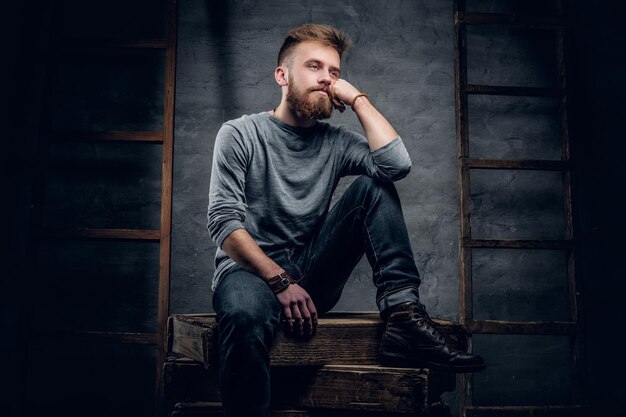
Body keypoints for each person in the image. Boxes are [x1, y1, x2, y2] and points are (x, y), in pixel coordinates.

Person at [207, 23, 485, 417]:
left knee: (375, 186)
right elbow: (223, 223)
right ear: (282, 76)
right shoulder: (240, 134)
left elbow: (396, 165)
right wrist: (279, 280)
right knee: (244, 313)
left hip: (311, 274)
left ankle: (403, 314)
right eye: (314, 67)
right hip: (248, 274)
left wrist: (357, 100)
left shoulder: (335, 142)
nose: (326, 79)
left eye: (334, 72)